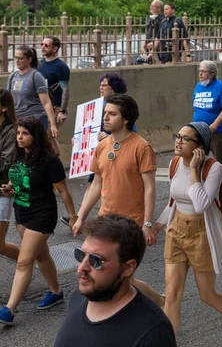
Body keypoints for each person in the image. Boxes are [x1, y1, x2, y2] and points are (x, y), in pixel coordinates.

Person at [152, 122, 222, 345]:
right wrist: (156, 226)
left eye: (186, 139)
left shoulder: (213, 168)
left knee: (206, 294)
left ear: (200, 147)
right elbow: (173, 202)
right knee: (172, 293)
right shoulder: (174, 163)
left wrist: (194, 169)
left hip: (202, 234)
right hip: (176, 230)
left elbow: (201, 203)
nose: (178, 141)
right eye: (178, 135)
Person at [72, 94, 164, 307]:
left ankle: (156, 303)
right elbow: (96, 184)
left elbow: (150, 188)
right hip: (105, 220)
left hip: (131, 224)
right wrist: (81, 216)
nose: (106, 117)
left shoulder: (142, 147)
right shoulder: (102, 146)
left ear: (125, 119)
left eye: (112, 114)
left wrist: (148, 224)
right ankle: (153, 303)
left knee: (122, 276)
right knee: (111, 274)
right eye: (105, 113)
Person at [53, 214, 176, 347]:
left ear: (128, 268)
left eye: (96, 260)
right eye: (80, 255)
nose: (82, 267)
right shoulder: (79, 297)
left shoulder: (153, 333)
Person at [0, 117, 77, 325]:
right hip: (22, 213)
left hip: (42, 214)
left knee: (25, 261)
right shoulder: (18, 155)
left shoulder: (49, 160)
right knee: (42, 256)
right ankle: (56, 292)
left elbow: (63, 191)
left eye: (25, 133)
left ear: (35, 135)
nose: (20, 137)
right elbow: (17, 180)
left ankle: (10, 309)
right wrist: (10, 188)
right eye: (18, 134)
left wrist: (73, 216)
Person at [60, 73, 131, 228]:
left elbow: (131, 131)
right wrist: (79, 140)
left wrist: (108, 136)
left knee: (108, 186)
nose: (101, 87)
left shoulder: (123, 106)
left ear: (114, 88)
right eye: (100, 84)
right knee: (94, 184)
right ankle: (81, 218)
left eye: (104, 85)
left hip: (115, 154)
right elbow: (88, 128)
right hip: (101, 152)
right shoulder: (98, 106)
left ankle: (114, 220)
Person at [193, 61, 222, 189]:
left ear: (212, 74)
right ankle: (198, 184)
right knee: (198, 158)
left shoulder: (221, 87)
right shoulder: (198, 87)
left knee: (220, 160)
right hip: (200, 130)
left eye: (203, 71)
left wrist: (215, 125)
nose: (200, 74)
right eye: (199, 71)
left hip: (217, 131)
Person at [7, 45, 58, 138]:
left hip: (35, 119)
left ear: (29, 59)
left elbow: (46, 102)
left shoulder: (36, 76)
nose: (17, 61)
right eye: (16, 58)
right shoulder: (13, 76)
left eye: (21, 58)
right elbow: (8, 99)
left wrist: (53, 124)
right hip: (18, 120)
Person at [38, 36, 70, 156]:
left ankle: (55, 165)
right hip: (43, 106)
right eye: (42, 44)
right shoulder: (40, 64)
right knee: (48, 138)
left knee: (49, 136)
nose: (43, 47)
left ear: (55, 48)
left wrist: (62, 110)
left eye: (46, 45)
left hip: (56, 107)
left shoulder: (60, 66)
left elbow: (65, 90)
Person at [0, 89, 18, 261]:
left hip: (3, 189)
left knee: (0, 245)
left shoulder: (12, 131)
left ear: (4, 107)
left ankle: (25, 262)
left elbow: (6, 162)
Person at [140, 0, 165, 64]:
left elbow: (160, 35)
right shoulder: (150, 19)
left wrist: (153, 46)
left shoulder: (162, 20)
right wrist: (143, 46)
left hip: (158, 49)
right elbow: (147, 33)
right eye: (151, 5)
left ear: (159, 8)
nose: (151, 7)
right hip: (148, 48)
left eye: (153, 6)